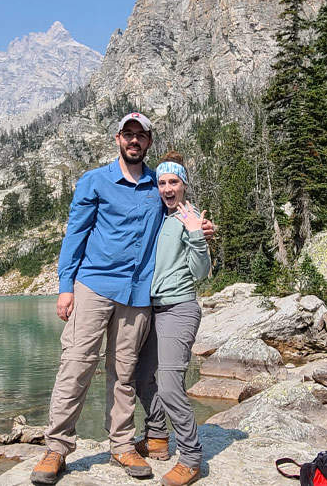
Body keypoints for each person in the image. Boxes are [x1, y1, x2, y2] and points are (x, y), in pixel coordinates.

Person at [30, 113, 213, 485]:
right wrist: (66, 287)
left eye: (140, 135)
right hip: (94, 286)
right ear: (118, 139)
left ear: (148, 142)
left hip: (137, 296)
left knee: (124, 374)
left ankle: (122, 444)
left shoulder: (155, 185)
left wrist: (199, 226)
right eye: (128, 134)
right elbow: (75, 235)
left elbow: (180, 211)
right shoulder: (94, 180)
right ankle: (57, 447)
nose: (134, 140)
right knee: (76, 365)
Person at [133, 152, 210, 486]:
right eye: (162, 182)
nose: (167, 188)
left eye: (173, 182)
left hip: (179, 309)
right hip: (152, 310)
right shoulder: (160, 217)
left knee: (169, 385)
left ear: (184, 185)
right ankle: (158, 438)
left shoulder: (187, 218)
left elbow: (201, 272)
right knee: (139, 376)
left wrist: (197, 232)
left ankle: (191, 458)